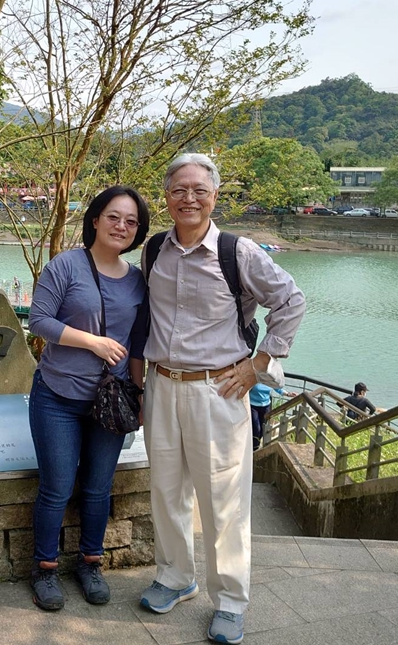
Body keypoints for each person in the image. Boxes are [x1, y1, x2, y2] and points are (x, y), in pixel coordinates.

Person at [138, 153, 305, 645]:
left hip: (219, 389)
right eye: (178, 189)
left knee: (224, 500)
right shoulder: (154, 249)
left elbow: (291, 300)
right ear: (166, 197)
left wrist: (258, 364)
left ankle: (230, 600)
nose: (188, 198)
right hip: (162, 384)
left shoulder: (238, 252)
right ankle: (175, 576)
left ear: (214, 195)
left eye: (198, 190)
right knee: (167, 491)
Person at [27, 185, 150, 611]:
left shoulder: (138, 280)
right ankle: (45, 568)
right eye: (113, 217)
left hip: (111, 401)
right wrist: (92, 342)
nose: (121, 226)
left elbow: (138, 344)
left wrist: (140, 394)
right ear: (95, 219)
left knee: (98, 488)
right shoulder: (66, 265)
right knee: (57, 487)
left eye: (131, 221)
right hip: (57, 396)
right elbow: (38, 321)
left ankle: (90, 563)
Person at [249, 383, 294, 450]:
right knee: (256, 428)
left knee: (263, 429)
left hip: (266, 406)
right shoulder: (256, 379)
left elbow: (277, 388)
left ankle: (255, 446)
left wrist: (288, 394)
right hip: (253, 405)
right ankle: (254, 448)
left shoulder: (269, 379)